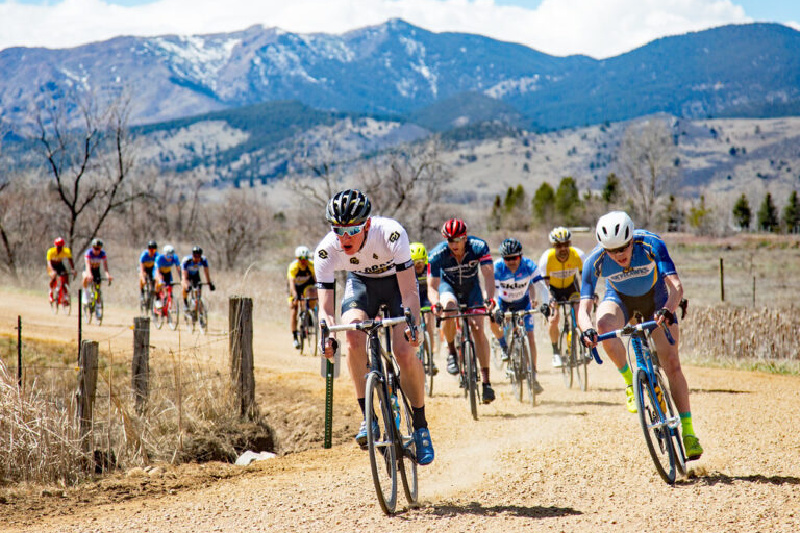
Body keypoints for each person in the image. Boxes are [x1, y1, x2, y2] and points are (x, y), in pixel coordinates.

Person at [316, 189, 434, 465]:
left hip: (396, 286)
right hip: (361, 286)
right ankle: (368, 418)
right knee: (352, 337)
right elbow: (326, 310)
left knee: (404, 352)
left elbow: (409, 292)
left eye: (352, 230)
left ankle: (420, 426)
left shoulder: (391, 233)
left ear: (367, 224)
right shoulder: (326, 249)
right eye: (338, 230)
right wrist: (325, 335)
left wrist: (413, 323)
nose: (344, 238)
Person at [577, 211, 703, 460]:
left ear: (632, 239)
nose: (619, 254)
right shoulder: (594, 260)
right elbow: (584, 308)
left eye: (624, 247)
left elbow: (676, 287)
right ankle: (629, 382)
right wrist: (586, 330)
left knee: (673, 365)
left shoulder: (651, 243)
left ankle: (688, 433)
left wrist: (668, 309)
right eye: (612, 251)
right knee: (603, 325)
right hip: (619, 301)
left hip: (656, 300)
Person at [427, 218, 497, 404]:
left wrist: (489, 299)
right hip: (448, 287)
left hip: (471, 288)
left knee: (477, 327)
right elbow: (432, 287)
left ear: (465, 238)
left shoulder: (479, 247)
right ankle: (451, 352)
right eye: (450, 240)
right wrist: (435, 305)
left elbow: (489, 276)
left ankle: (486, 382)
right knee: (449, 310)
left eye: (458, 240)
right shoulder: (437, 254)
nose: (454, 244)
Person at [490, 238, 549, 394]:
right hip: (503, 302)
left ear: (520, 256)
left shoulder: (529, 265)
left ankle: (533, 376)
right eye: (507, 259)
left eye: (514, 258)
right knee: (492, 319)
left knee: (530, 337)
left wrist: (545, 304)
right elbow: (493, 292)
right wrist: (496, 308)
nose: (511, 262)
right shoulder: (497, 267)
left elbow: (541, 287)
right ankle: (503, 345)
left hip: (523, 302)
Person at [538, 227, 585, 368]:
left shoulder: (578, 255)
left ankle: (584, 345)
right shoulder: (547, 258)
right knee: (554, 318)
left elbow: (586, 279)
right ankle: (556, 353)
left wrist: (589, 296)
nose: (563, 248)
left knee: (580, 312)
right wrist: (550, 300)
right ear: (553, 246)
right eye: (559, 245)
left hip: (572, 287)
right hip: (553, 289)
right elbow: (543, 285)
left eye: (566, 244)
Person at [410, 241, 437, 374]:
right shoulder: (408, 271)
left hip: (427, 297)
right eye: (415, 263)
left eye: (420, 262)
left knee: (427, 323)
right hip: (414, 298)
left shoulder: (429, 268)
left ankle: (430, 357)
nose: (418, 265)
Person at [287, 245, 317, 349]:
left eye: (305, 258)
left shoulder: (311, 265)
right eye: (301, 259)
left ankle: (307, 317)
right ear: (297, 258)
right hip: (295, 287)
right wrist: (295, 296)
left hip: (306, 286)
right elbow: (291, 283)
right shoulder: (293, 267)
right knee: (294, 309)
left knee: (311, 294)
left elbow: (316, 280)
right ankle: (295, 337)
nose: (303, 261)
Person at [181, 246, 215, 313]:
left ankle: (197, 311)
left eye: (198, 256)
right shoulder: (187, 260)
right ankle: (185, 304)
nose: (197, 259)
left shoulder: (203, 260)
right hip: (187, 274)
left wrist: (209, 283)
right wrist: (186, 284)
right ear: (192, 255)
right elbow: (183, 276)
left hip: (195, 275)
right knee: (185, 287)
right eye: (195, 256)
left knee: (198, 293)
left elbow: (206, 272)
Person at [82, 238, 113, 304]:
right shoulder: (88, 253)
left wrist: (108, 275)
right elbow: (87, 265)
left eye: (98, 249)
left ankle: (98, 305)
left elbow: (105, 267)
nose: (96, 250)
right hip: (88, 269)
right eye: (95, 248)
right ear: (92, 247)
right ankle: (86, 293)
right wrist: (89, 274)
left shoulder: (103, 253)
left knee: (98, 288)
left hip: (96, 270)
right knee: (85, 277)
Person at [46, 237, 76, 303]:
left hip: (60, 265)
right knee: (54, 277)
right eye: (58, 247)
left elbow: (70, 260)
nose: (59, 249)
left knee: (66, 276)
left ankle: (65, 294)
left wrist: (73, 269)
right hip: (52, 265)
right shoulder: (50, 251)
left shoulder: (66, 251)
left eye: (60, 247)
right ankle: (50, 293)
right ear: (55, 246)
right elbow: (49, 263)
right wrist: (52, 271)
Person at [139, 240, 158, 304]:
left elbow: (158, 268)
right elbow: (141, 269)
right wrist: (143, 278)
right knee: (142, 278)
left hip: (152, 269)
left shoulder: (157, 256)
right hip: (144, 268)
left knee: (154, 280)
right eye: (150, 249)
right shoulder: (144, 255)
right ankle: (142, 293)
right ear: (148, 249)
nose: (152, 252)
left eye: (154, 250)